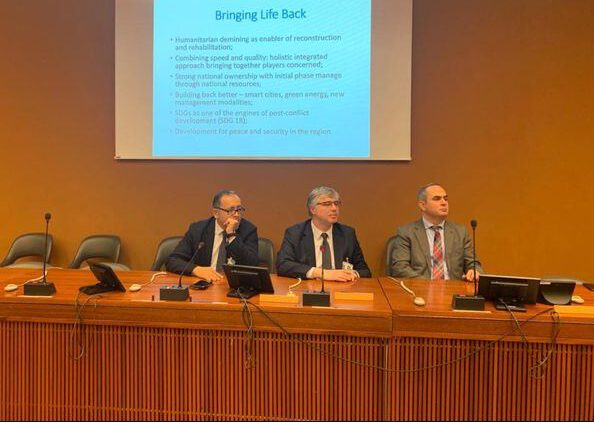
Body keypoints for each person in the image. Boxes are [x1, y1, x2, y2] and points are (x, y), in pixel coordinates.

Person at [277, 186, 371, 281]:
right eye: (327, 204)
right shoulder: (295, 233)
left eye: (336, 203)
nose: (334, 208)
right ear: (312, 209)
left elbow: (364, 271)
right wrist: (320, 273)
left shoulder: (347, 234)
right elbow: (283, 265)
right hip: (310, 287)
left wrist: (352, 274)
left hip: (341, 287)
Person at [391, 183, 482, 281]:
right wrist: (429, 285)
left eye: (445, 199)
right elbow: (400, 267)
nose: (444, 203)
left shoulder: (460, 232)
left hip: (452, 287)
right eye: (437, 199)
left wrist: (474, 271)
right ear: (422, 205)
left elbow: (473, 264)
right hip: (419, 287)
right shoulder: (407, 232)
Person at [166, 190, 258, 282]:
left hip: (234, 285)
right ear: (216, 213)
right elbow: (173, 260)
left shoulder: (248, 230)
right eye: (230, 210)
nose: (237, 215)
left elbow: (252, 265)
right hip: (206, 283)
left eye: (239, 209)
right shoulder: (198, 230)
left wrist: (231, 235)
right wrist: (196, 270)